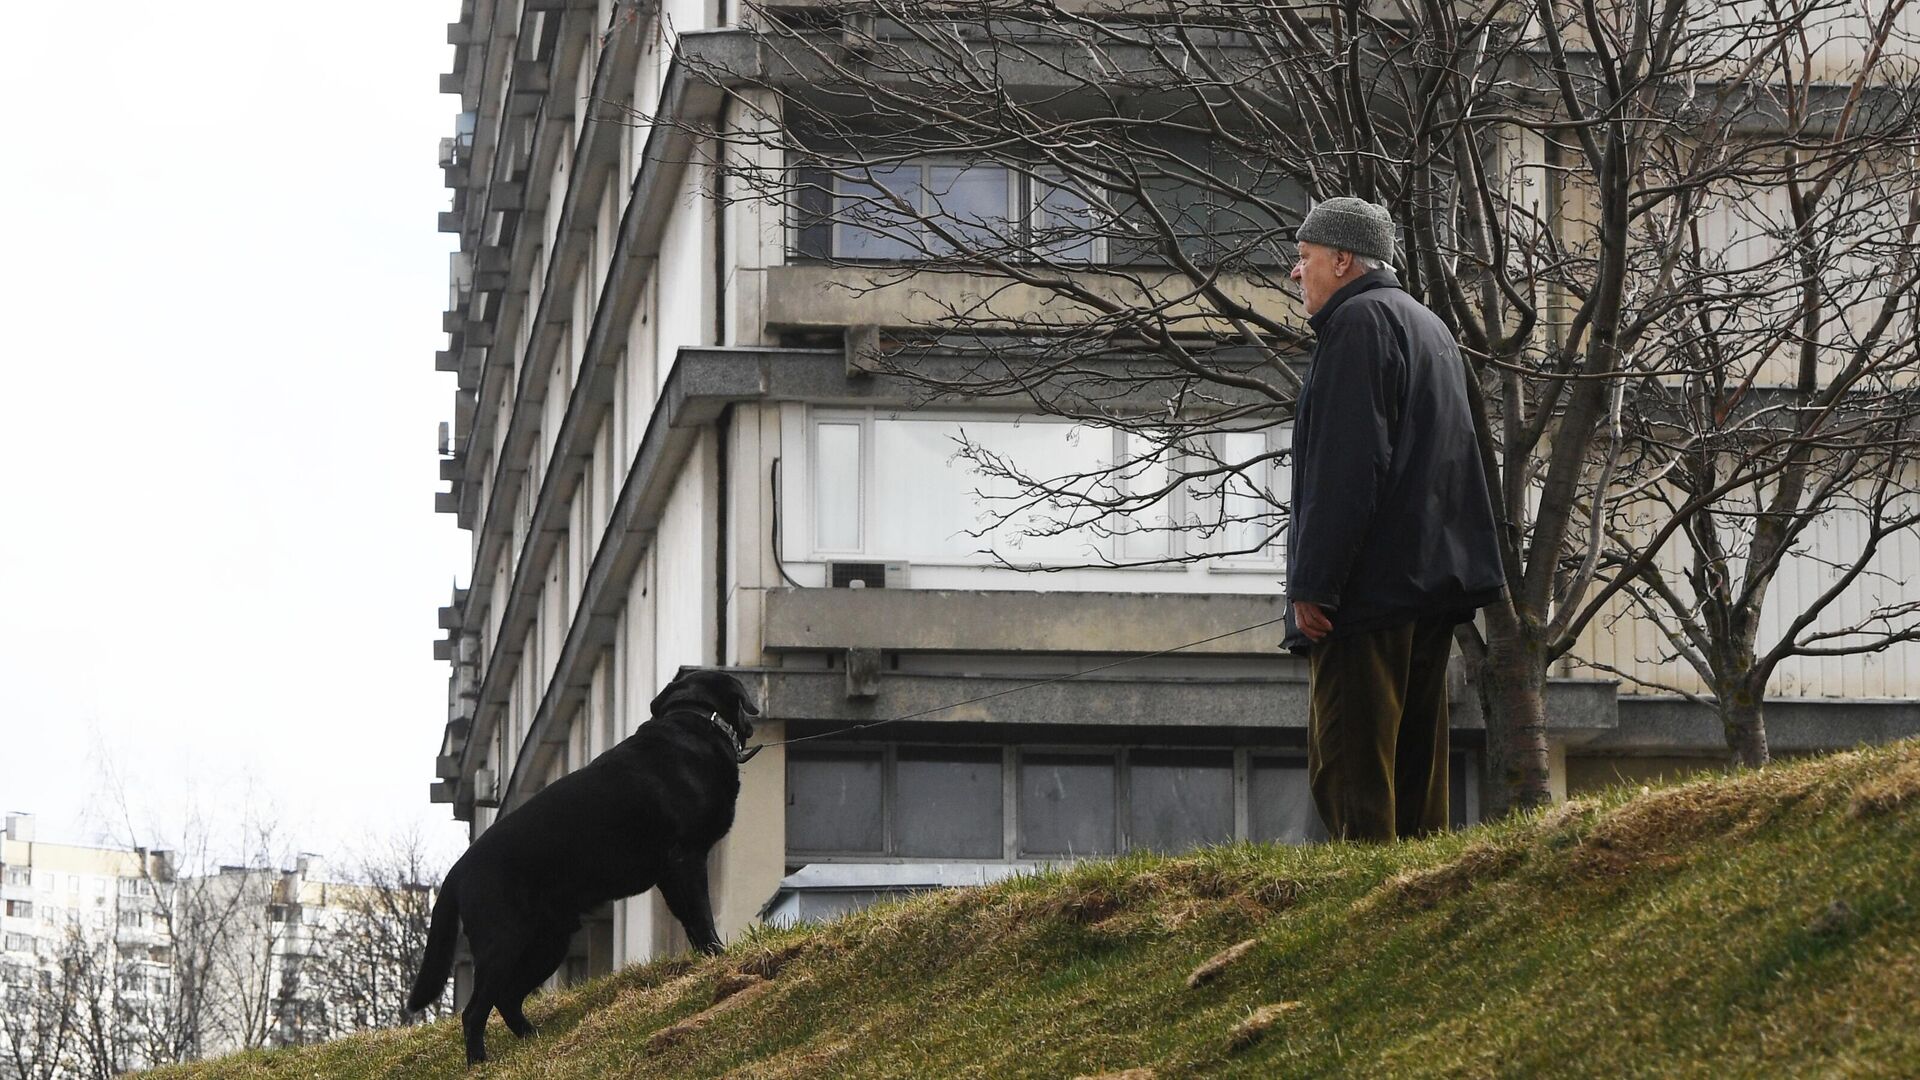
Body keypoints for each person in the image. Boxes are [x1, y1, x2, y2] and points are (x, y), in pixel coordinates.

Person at [1282, 197, 1505, 842]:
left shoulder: (1357, 324)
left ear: (1343, 260)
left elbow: (1347, 468)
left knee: (1352, 768)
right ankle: (1416, 908)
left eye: (1305, 259)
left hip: (1367, 594)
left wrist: (1316, 584)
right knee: (1418, 777)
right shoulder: (1429, 326)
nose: (1297, 275)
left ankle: (1362, 916)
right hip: (1429, 588)